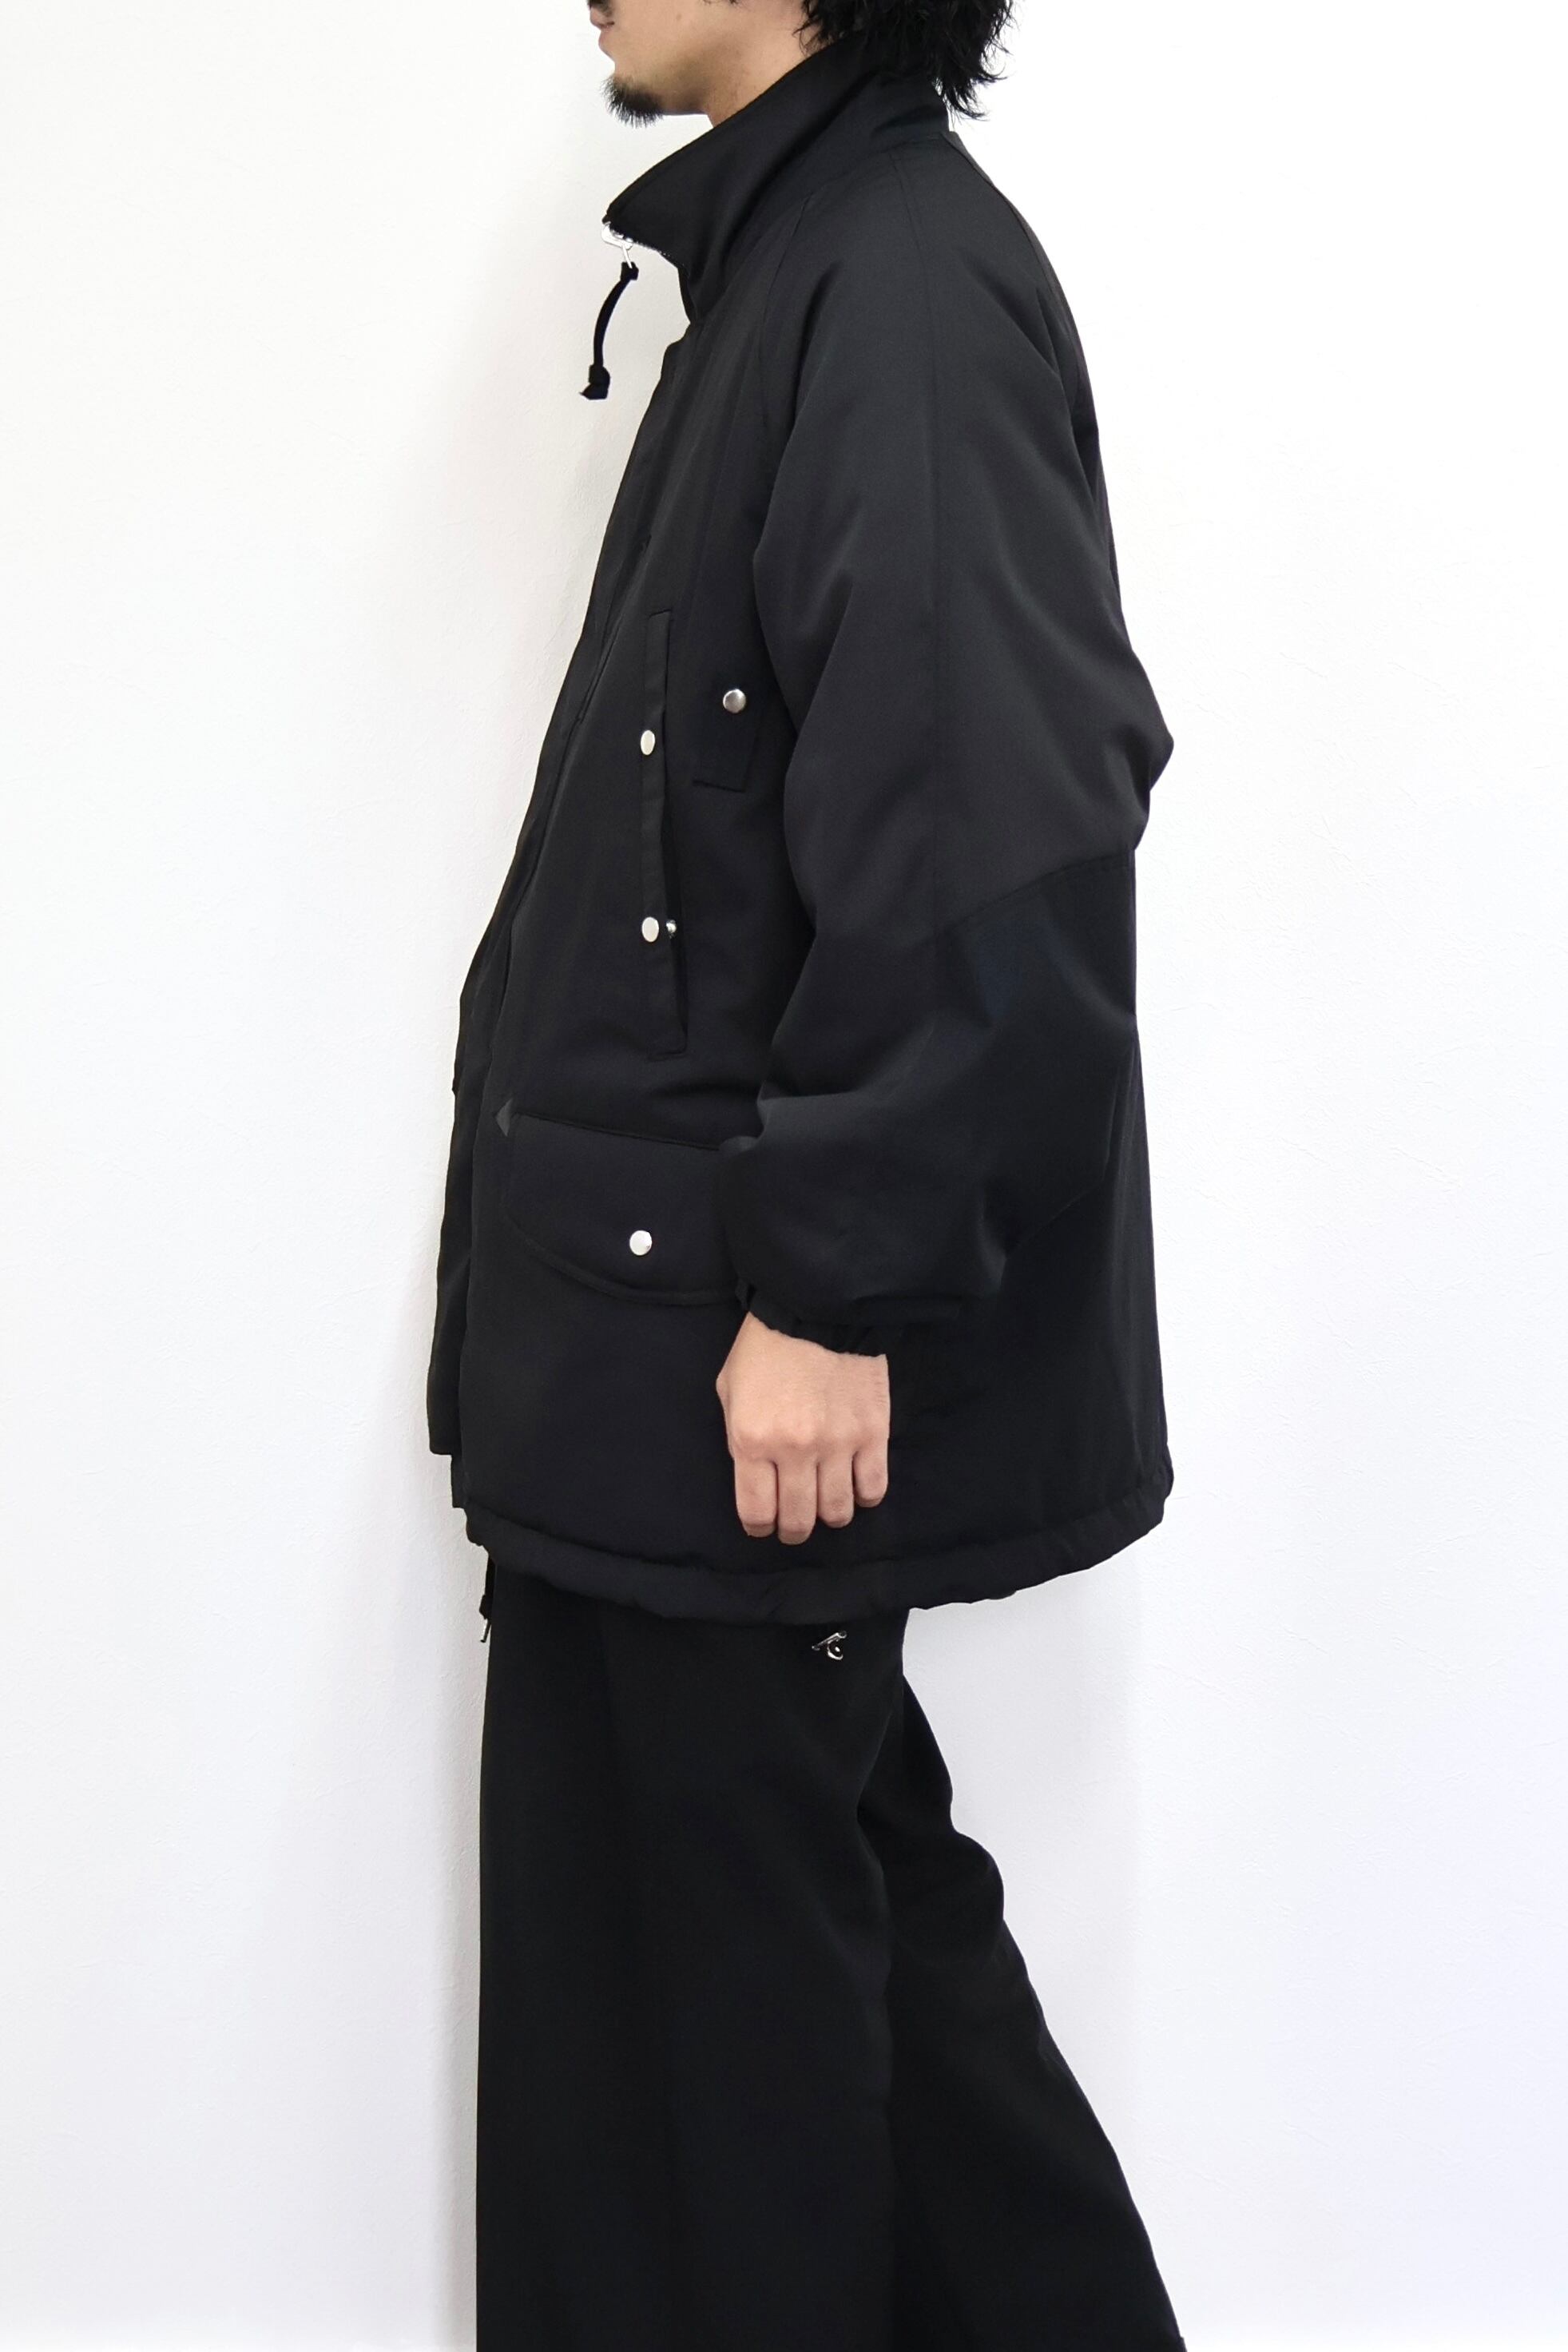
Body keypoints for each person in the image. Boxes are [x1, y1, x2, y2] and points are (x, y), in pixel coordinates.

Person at [426, 0, 1185, 2342]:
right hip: (651, 1350)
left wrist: (835, 1282)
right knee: (832, 2035)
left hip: (727, 1365)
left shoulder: (900, 282)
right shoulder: (794, 269)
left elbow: (991, 829)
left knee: (717, 2097)